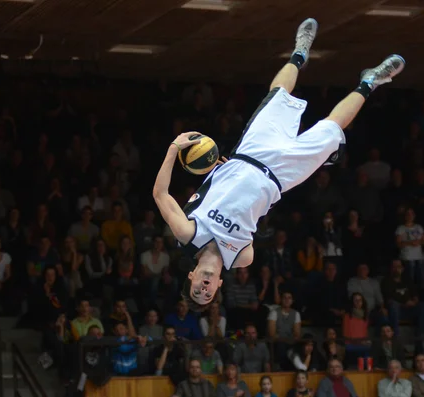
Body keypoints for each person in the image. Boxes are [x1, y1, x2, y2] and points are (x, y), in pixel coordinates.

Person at [152, 18, 405, 311]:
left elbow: (160, 195)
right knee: (332, 129)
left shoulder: (187, 233)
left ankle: (299, 53)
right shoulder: (244, 256)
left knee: (279, 95)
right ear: (219, 285)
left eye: (197, 290)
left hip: (250, 154)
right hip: (282, 177)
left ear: (192, 275)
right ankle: (370, 82)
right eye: (207, 295)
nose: (204, 289)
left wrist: (173, 149)